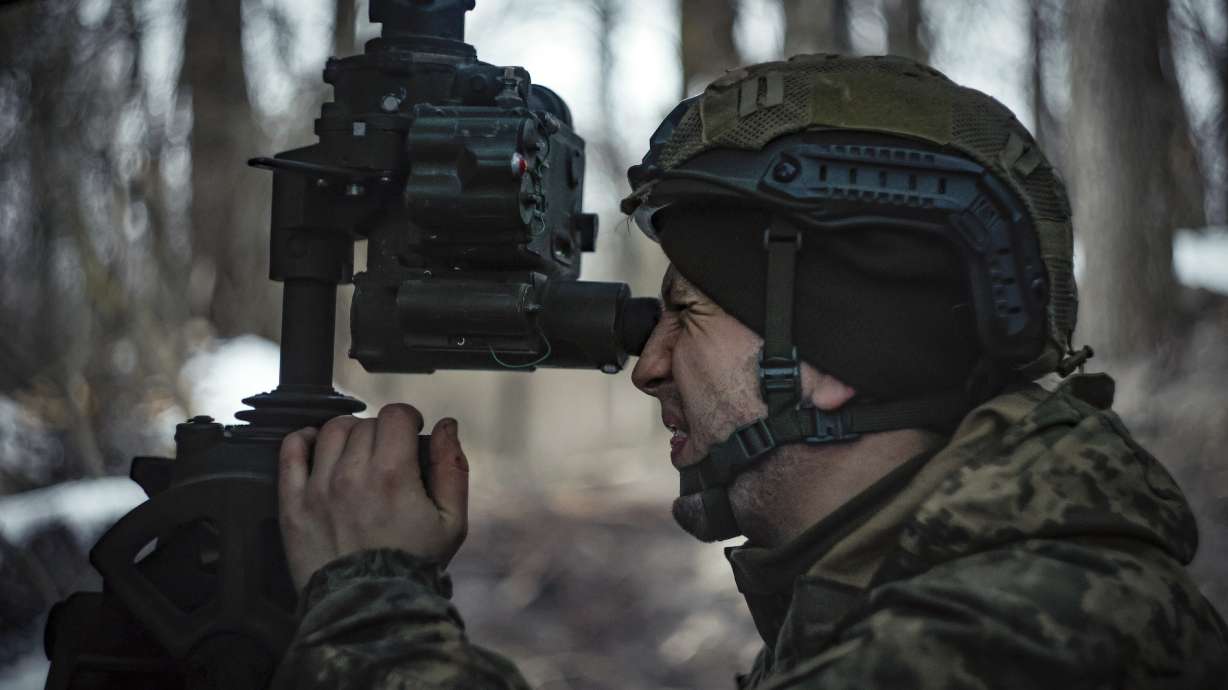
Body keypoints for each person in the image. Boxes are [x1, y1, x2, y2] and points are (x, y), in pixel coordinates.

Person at [270, 55, 1228, 689]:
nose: (648, 365)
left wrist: (371, 597)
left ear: (834, 361)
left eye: (688, 311)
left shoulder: (1031, 632)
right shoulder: (914, 582)